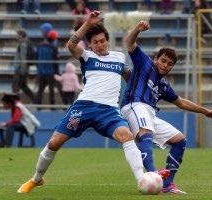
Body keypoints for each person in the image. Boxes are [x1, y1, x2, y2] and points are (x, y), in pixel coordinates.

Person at [17, 11, 145, 194]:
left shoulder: (119, 58)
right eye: (95, 42)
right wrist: (87, 23)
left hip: (108, 111)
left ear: (107, 40)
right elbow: (71, 44)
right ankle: (36, 179)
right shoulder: (86, 57)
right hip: (83, 107)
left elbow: (128, 75)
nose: (99, 44)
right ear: (90, 45)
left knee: (127, 136)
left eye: (102, 40)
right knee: (54, 143)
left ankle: (141, 181)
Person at [120, 20, 212, 194]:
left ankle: (168, 184)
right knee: (146, 132)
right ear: (156, 59)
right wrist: (137, 29)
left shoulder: (164, 86)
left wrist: (205, 111)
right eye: (163, 61)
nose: (165, 65)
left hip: (150, 113)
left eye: (169, 64)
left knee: (179, 140)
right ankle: (152, 173)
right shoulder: (145, 64)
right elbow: (129, 42)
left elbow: (181, 102)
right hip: (133, 105)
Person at [34, 30, 59, 106]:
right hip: (50, 72)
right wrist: (56, 72)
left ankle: (38, 106)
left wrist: (38, 68)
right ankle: (52, 106)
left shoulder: (39, 45)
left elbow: (36, 58)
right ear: (54, 39)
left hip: (41, 72)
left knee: (40, 90)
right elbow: (56, 62)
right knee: (51, 90)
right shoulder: (53, 48)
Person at [12, 29, 35, 103]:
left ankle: (17, 103)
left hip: (21, 70)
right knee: (23, 86)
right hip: (21, 69)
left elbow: (23, 57)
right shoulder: (22, 43)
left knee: (15, 87)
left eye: (17, 34)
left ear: (21, 35)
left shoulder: (23, 44)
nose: (15, 35)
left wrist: (22, 70)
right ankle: (35, 100)